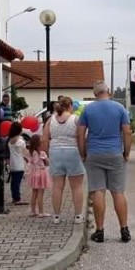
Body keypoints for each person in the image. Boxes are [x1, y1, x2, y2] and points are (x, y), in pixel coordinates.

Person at [77, 81, 132, 243]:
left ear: (95, 94)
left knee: (98, 191)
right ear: (109, 91)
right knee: (118, 192)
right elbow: (127, 133)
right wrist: (126, 153)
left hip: (94, 153)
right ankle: (124, 230)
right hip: (115, 153)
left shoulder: (88, 110)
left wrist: (83, 153)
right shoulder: (120, 108)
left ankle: (100, 231)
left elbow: (80, 134)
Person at [43, 96, 85, 225]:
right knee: (76, 186)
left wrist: (47, 155)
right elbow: (81, 137)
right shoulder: (76, 119)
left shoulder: (50, 120)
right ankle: (78, 216)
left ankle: (56, 216)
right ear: (70, 106)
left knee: (57, 187)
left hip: (55, 152)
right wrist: (83, 154)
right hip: (72, 152)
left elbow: (45, 139)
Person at [27, 134, 52, 217]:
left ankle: (33, 211)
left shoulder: (31, 153)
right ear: (39, 144)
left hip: (34, 174)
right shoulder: (42, 153)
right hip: (41, 174)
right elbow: (47, 163)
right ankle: (41, 212)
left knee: (34, 193)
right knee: (40, 193)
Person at [7, 122, 29, 206]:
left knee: (14, 182)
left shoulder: (10, 140)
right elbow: (25, 153)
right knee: (17, 182)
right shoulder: (20, 141)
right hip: (19, 164)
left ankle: (14, 197)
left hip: (12, 163)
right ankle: (17, 198)